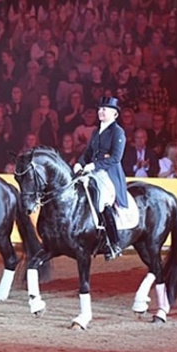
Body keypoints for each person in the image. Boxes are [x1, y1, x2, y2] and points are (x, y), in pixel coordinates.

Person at [74, 96, 128, 261]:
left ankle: (114, 243)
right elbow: (88, 153)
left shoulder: (117, 132)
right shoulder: (96, 131)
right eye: (100, 109)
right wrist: (79, 163)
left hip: (110, 174)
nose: (101, 112)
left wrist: (94, 166)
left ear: (115, 114)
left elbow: (116, 158)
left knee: (103, 200)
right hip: (94, 171)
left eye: (105, 109)